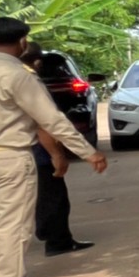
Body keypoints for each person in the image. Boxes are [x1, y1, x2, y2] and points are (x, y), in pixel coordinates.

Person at [0, 17, 107, 277]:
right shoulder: (19, 75)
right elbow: (49, 120)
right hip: (7, 156)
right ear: (22, 42)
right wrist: (88, 152)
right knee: (13, 224)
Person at [20, 45, 93, 258]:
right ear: (38, 62)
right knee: (52, 196)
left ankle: (54, 236)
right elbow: (44, 124)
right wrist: (59, 154)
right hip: (32, 150)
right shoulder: (28, 80)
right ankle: (57, 240)